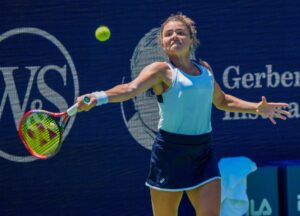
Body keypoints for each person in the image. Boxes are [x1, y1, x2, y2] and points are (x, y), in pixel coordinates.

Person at [76, 13, 290, 216]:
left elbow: (222, 100)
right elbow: (130, 89)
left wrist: (257, 108)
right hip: (169, 155)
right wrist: (98, 96)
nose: (174, 36)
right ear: (162, 43)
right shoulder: (161, 70)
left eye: (180, 32)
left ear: (191, 39)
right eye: (168, 34)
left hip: (202, 152)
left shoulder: (205, 69)